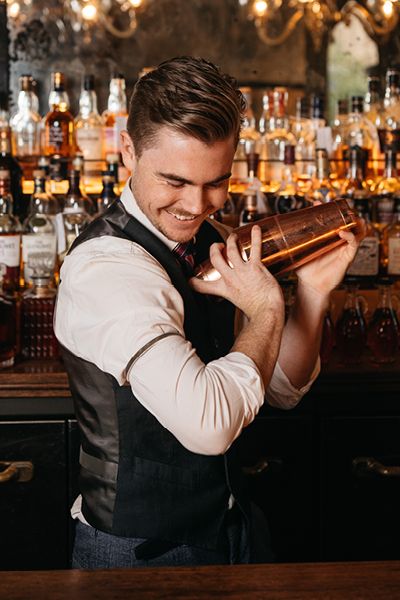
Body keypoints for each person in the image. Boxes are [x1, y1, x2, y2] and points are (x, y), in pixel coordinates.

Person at [54, 56, 362, 569]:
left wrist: (310, 293)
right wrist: (266, 306)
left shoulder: (214, 241)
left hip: (232, 529)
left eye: (215, 182)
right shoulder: (105, 269)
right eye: (173, 180)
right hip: (140, 553)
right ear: (128, 151)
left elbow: (280, 386)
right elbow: (211, 425)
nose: (196, 205)